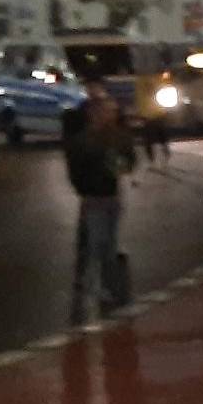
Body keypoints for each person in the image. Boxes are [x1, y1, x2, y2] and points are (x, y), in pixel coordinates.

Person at [64, 82, 139, 325]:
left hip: (110, 196)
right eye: (106, 111)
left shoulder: (116, 137)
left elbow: (128, 161)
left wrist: (122, 165)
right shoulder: (84, 140)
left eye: (111, 111)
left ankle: (102, 284)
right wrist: (84, 190)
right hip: (94, 197)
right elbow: (76, 168)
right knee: (99, 242)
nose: (110, 115)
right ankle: (99, 284)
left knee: (107, 242)